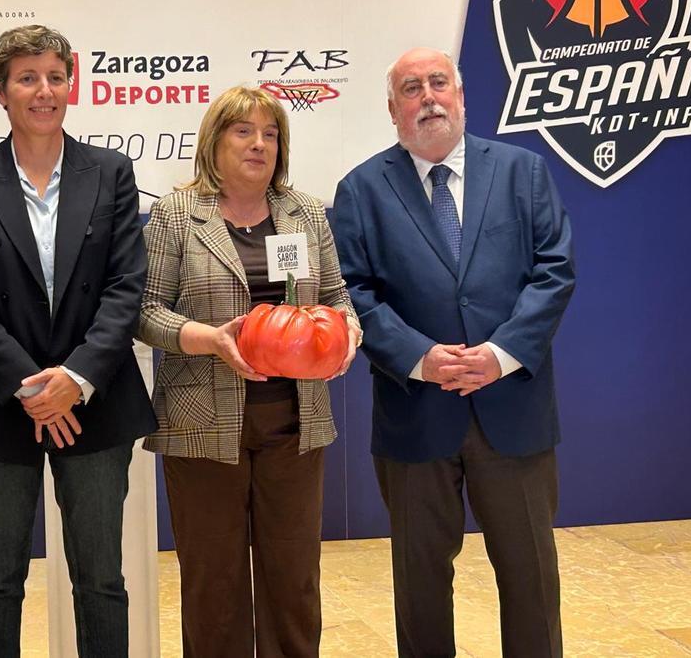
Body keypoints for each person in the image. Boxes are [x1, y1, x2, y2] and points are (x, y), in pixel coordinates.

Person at [330, 47, 576, 657]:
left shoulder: (523, 171)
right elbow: (350, 291)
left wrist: (500, 353)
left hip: (511, 407)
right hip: (416, 410)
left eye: (439, 83)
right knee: (419, 581)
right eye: (411, 89)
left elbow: (554, 271)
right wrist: (418, 356)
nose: (429, 97)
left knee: (531, 576)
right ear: (393, 110)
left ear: (462, 96)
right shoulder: (361, 189)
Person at [0, 25, 155, 657]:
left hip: (95, 401)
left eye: (56, 77)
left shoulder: (110, 171)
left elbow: (124, 287)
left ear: (72, 83)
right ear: (0, 91)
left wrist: (75, 380)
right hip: (1, 403)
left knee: (101, 582)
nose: (44, 91)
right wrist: (33, 388)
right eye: (28, 78)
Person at [137, 85, 361, 657]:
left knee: (294, 582)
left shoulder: (305, 212)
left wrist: (347, 331)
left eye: (270, 133)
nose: (259, 144)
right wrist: (208, 339)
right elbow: (144, 310)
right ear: (215, 141)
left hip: (295, 423)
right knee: (215, 586)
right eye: (244, 131)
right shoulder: (176, 214)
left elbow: (335, 295)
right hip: (204, 427)